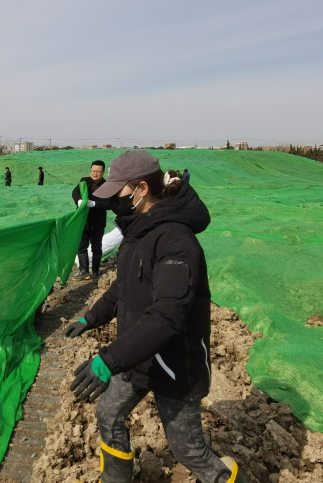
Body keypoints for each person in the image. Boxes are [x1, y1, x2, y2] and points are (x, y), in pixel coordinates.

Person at [63, 151, 248, 483]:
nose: (113, 201)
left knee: (189, 451)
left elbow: (166, 317)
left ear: (141, 190)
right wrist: (90, 318)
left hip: (174, 365)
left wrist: (108, 360)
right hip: (136, 356)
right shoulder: (138, 232)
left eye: (119, 192)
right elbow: (123, 288)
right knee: (108, 414)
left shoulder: (176, 241)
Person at [71, 160, 112, 283]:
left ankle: (95, 273)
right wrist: (78, 200)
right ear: (90, 171)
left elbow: (110, 203)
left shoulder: (107, 186)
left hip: (98, 222)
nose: (95, 174)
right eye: (93, 171)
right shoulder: (84, 181)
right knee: (81, 246)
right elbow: (75, 192)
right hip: (84, 221)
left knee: (96, 248)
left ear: (103, 172)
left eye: (98, 172)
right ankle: (84, 272)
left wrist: (94, 204)